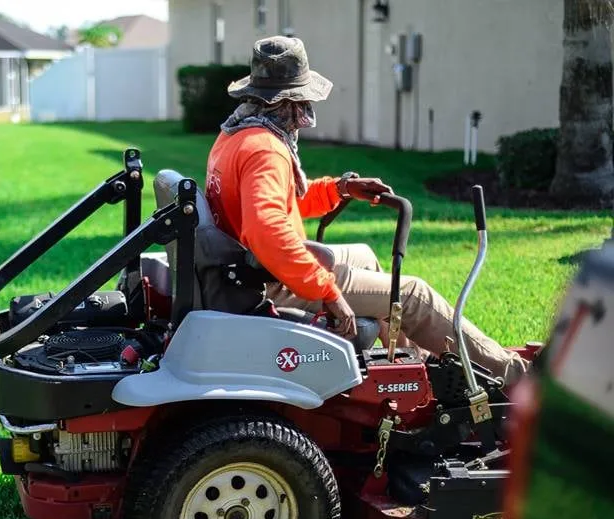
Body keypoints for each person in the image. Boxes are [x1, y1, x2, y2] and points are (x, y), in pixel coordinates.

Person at [204, 36, 529, 384]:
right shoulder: (265, 149)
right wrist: (327, 291)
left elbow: (281, 200)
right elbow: (267, 230)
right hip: (271, 280)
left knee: (365, 255)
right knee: (413, 294)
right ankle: (516, 376)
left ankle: (410, 373)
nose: (307, 113)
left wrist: (340, 189)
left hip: (250, 268)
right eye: (304, 102)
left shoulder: (236, 135)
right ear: (288, 102)